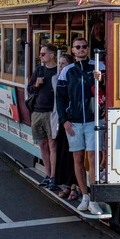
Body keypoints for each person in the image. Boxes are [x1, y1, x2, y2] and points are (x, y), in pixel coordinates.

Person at [56, 37, 104, 215]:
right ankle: (84, 195)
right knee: (77, 158)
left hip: (93, 120)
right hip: (74, 122)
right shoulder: (67, 71)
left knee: (92, 159)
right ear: (73, 51)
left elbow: (110, 88)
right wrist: (64, 120)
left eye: (84, 46)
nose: (82, 49)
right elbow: (60, 98)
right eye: (78, 47)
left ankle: (93, 199)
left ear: (88, 49)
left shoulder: (99, 66)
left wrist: (102, 78)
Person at [27, 43, 58, 190]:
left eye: (43, 54)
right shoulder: (39, 70)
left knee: (53, 144)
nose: (40, 56)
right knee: (43, 144)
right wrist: (36, 85)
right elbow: (29, 88)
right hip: (38, 112)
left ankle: (54, 176)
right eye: (40, 54)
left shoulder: (58, 71)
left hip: (52, 113)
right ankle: (47, 174)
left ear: (51, 56)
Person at [52, 54, 79, 201]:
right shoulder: (57, 78)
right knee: (63, 153)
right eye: (59, 64)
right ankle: (66, 185)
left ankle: (73, 187)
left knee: (73, 155)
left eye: (64, 64)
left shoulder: (72, 77)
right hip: (63, 121)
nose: (61, 66)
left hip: (73, 120)